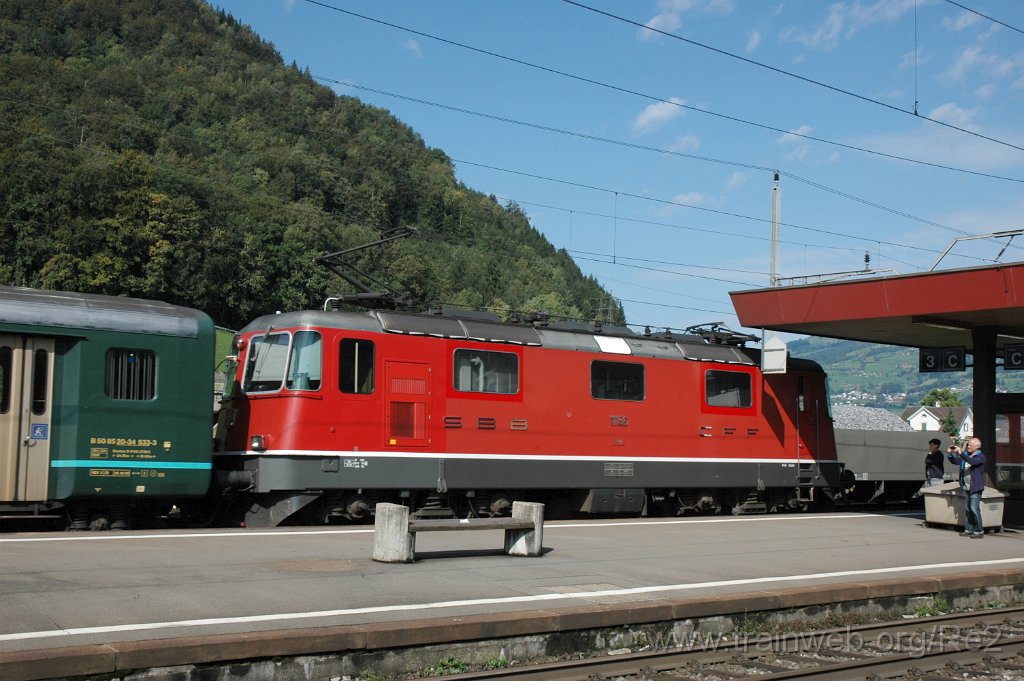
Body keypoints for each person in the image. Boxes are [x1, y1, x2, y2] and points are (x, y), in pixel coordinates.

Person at [948, 437, 986, 538]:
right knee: (968, 509)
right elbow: (955, 461)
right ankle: (968, 529)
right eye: (968, 445)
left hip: (975, 487)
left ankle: (979, 530)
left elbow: (972, 462)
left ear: (977, 447)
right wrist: (950, 453)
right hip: (966, 486)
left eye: (970, 445)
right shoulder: (965, 456)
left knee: (974, 509)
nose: (968, 446)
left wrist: (961, 453)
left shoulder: (980, 457)